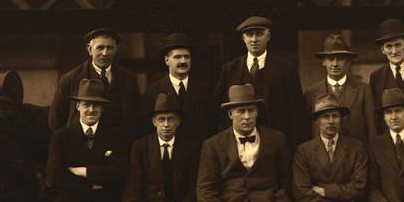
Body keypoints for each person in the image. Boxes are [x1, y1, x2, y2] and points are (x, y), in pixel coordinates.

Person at [197, 84, 292, 202]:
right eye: (241, 111)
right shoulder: (213, 145)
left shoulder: (277, 139)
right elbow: (205, 189)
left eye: (251, 110)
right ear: (230, 114)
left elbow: (286, 180)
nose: (247, 117)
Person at [213, 16, 306, 148]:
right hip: (239, 143)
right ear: (243, 38)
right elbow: (219, 108)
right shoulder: (230, 69)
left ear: (268, 36)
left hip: (276, 143)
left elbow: (296, 111)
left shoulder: (285, 68)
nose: (254, 39)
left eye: (259, 34)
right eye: (249, 35)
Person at [49, 27, 142, 143]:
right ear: (89, 49)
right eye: (100, 48)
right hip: (83, 146)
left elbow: (137, 117)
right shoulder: (71, 79)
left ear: (116, 49)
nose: (105, 53)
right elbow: (56, 119)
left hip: (120, 146)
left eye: (110, 48)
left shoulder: (129, 79)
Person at [303, 33, 377, 142]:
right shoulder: (312, 93)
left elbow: (372, 130)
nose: (335, 64)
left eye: (340, 59)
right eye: (330, 59)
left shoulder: (363, 90)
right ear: (323, 61)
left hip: (357, 156)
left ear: (348, 62)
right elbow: (307, 132)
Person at [142, 33, 213, 144]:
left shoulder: (203, 90)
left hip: (197, 153)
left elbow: (210, 126)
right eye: (177, 57)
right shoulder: (153, 91)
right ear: (167, 60)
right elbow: (147, 128)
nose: (183, 61)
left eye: (187, 57)